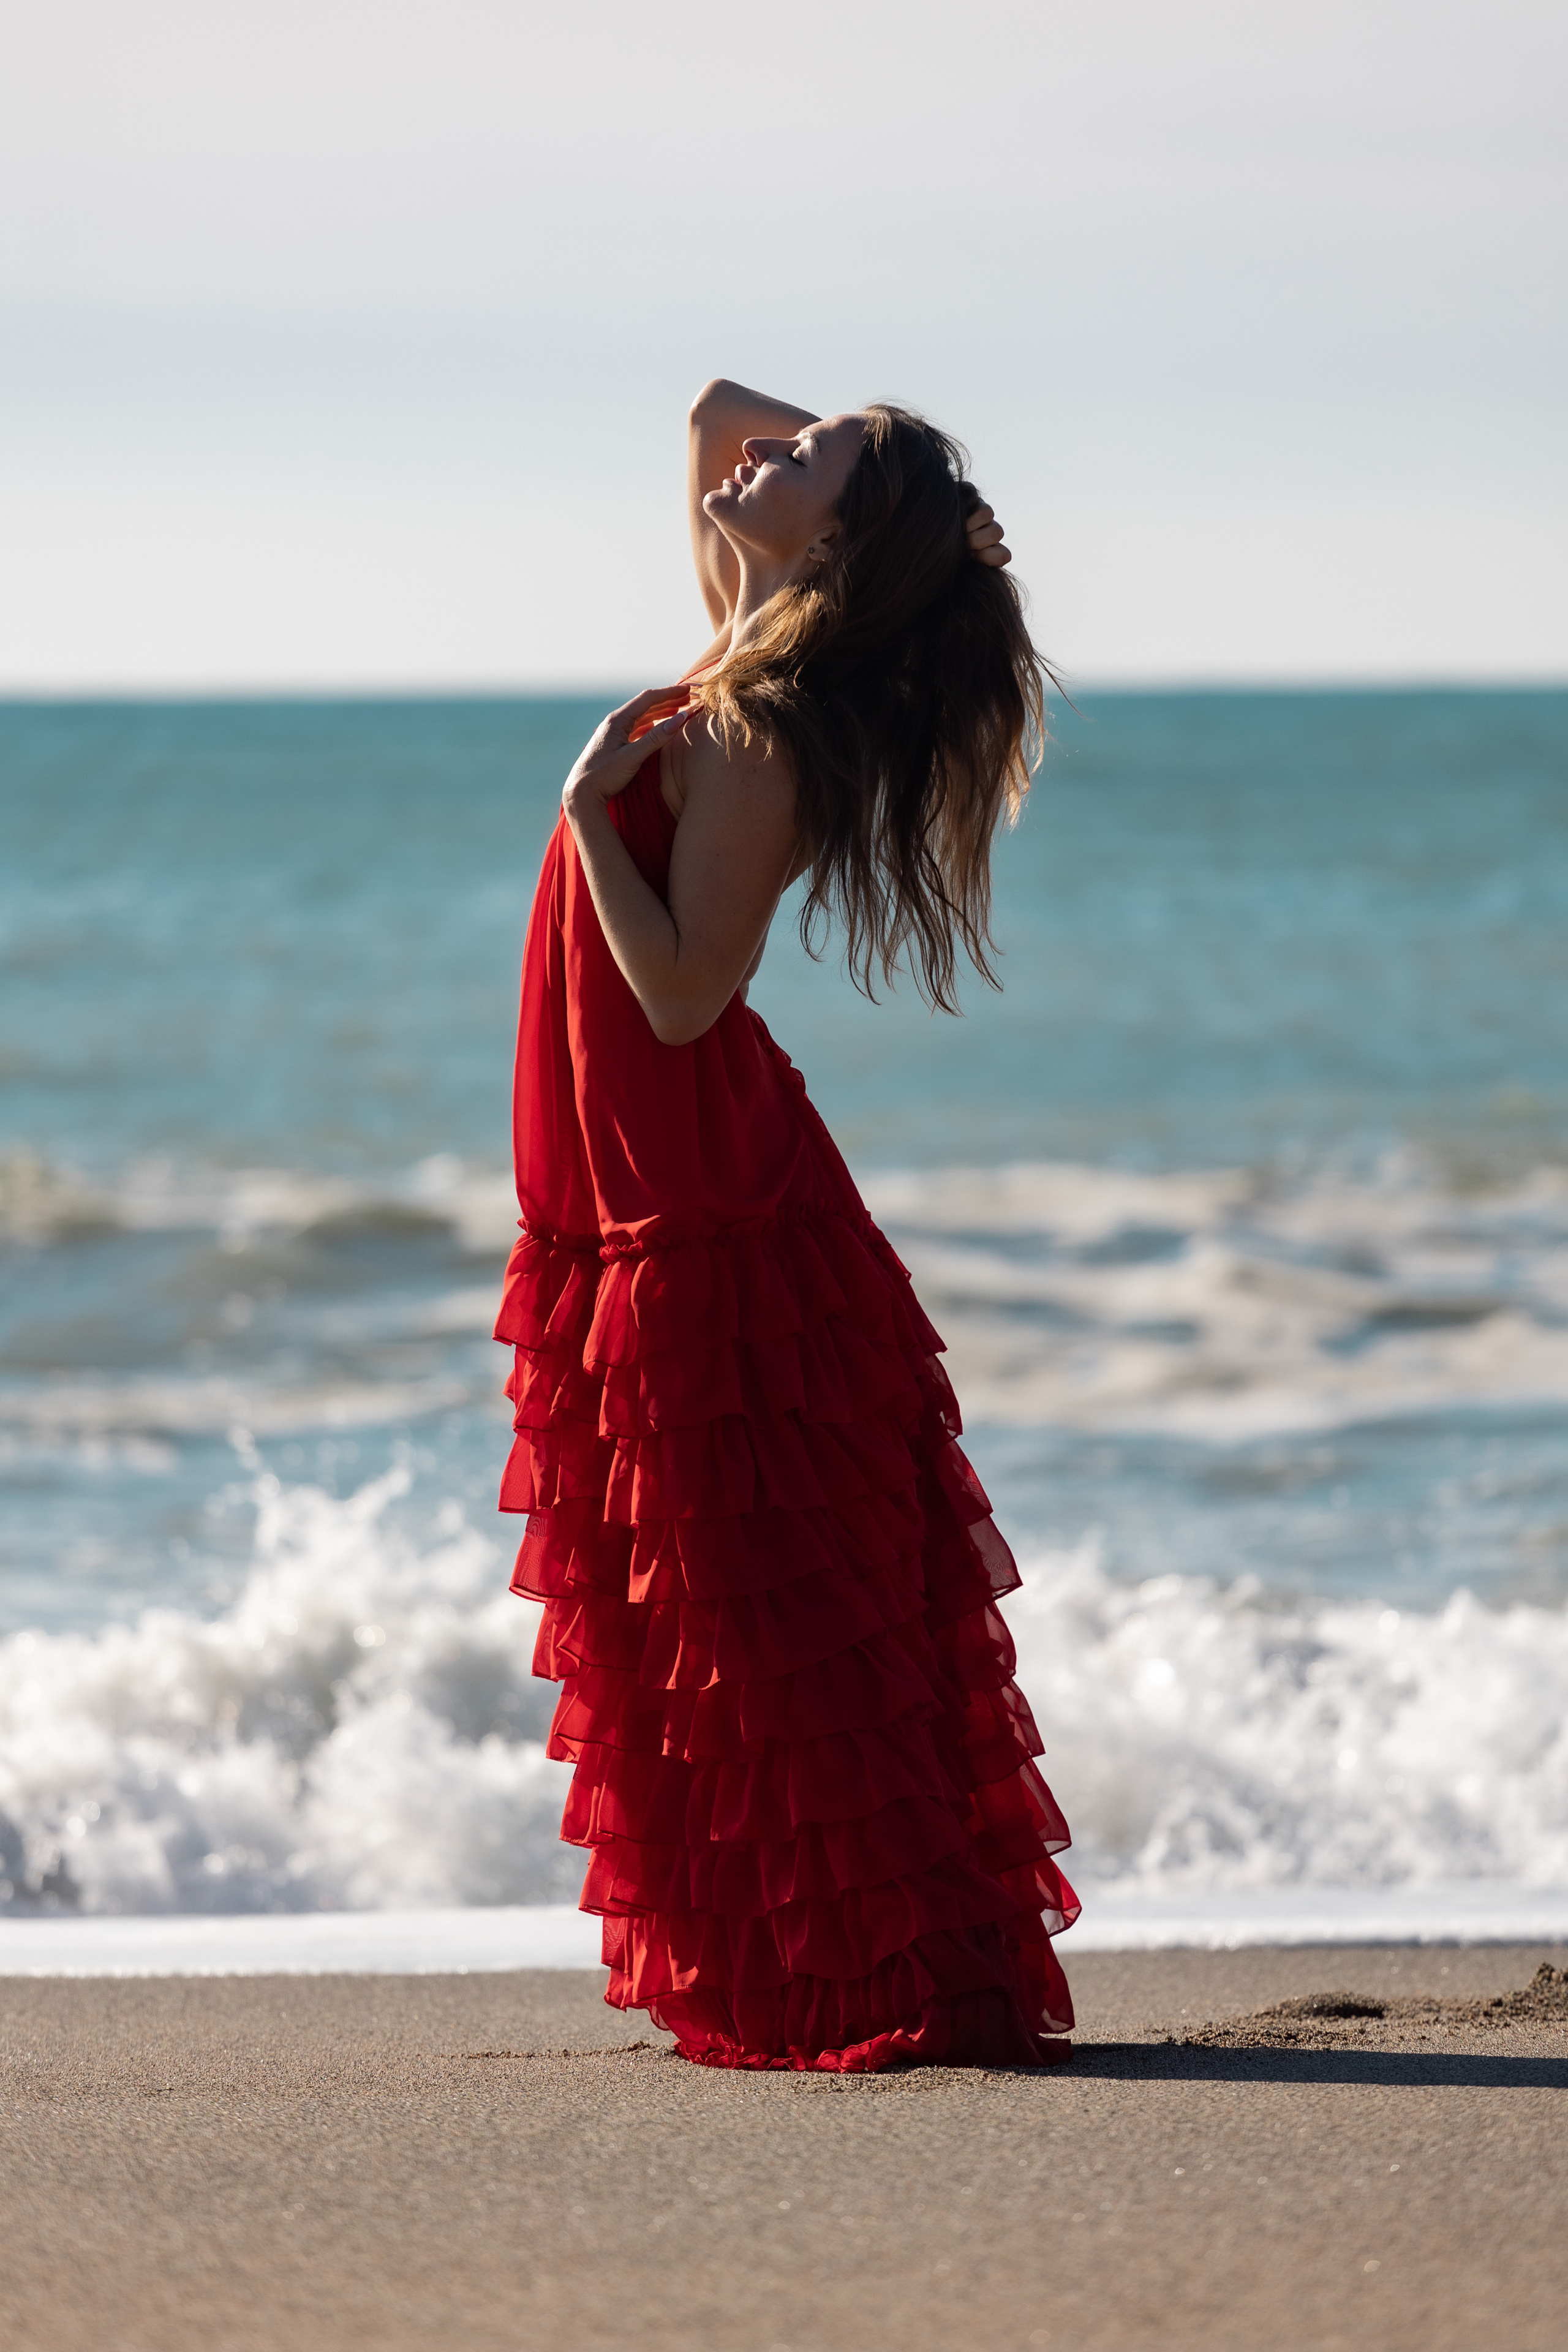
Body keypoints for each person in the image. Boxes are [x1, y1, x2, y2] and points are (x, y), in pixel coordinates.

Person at [496, 380, 1078, 2071]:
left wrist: (589, 812)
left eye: (810, 460)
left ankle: (863, 1978)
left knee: (765, 1612)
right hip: (639, 1185)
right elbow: (711, 409)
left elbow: (680, 999)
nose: (764, 452)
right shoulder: (732, 653)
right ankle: (776, 1968)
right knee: (698, 1609)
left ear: (833, 541)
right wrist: (887, 480)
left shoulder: (754, 736)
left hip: (701, 1199)